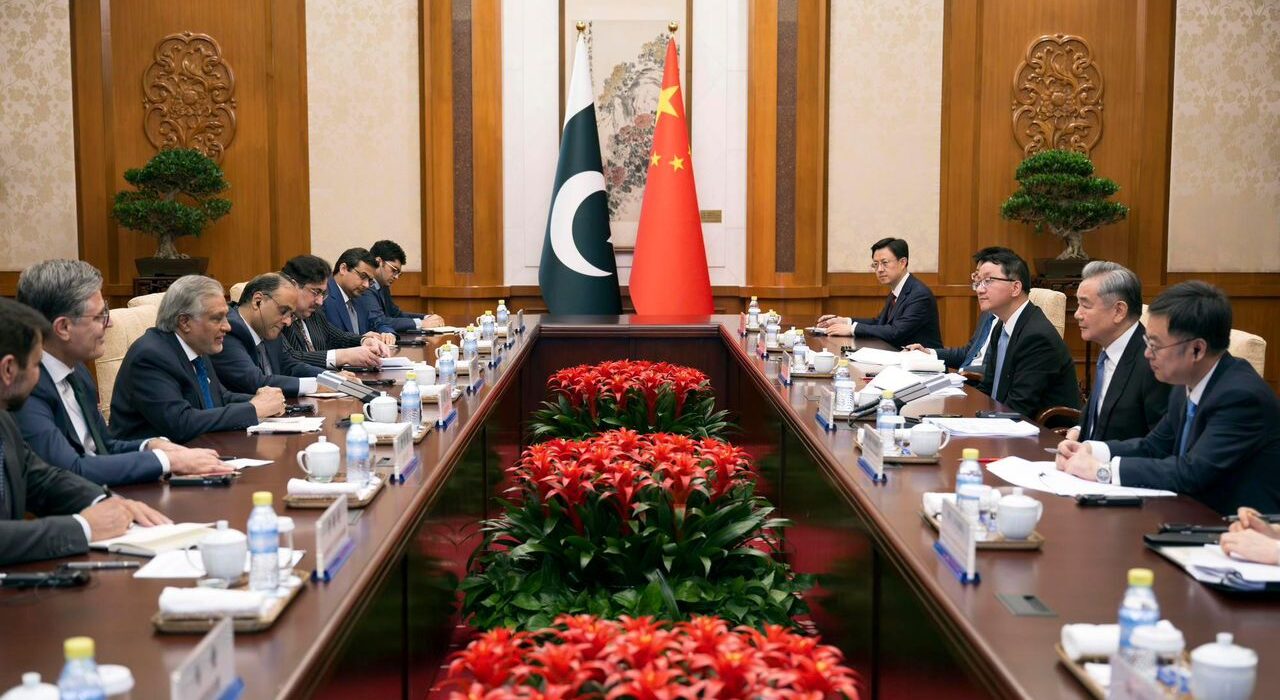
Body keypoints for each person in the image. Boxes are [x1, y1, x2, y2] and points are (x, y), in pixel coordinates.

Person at [1056, 281, 1280, 515]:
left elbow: (1192, 472)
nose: (1147, 353)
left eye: (1155, 345)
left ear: (1197, 349)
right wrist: (1091, 449)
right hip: (1185, 511)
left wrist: (1103, 471)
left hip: (1232, 524)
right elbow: (1154, 446)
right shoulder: (1186, 382)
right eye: (1147, 342)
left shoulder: (1241, 397)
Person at [14, 260, 229, 486]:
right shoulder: (26, 387)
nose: (109, 324)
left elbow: (104, 446)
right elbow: (71, 469)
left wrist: (151, 446)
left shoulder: (77, 373)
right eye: (99, 316)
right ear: (63, 328)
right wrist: (166, 461)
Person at [0, 297, 170, 566]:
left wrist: (105, 502)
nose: (39, 376)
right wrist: (83, 528)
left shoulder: (4, 419)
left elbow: (40, 478)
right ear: (8, 369)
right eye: (35, 364)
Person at [109, 275, 286, 443]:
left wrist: (261, 400)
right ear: (184, 322)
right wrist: (253, 409)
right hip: (152, 460)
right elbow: (181, 423)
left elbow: (219, 398)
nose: (227, 327)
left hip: (199, 450)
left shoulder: (196, 345)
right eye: (217, 319)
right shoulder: (151, 356)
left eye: (225, 317)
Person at [1065, 261, 1169, 442]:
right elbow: (1100, 412)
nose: (1077, 314)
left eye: (1086, 306)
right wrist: (1079, 429)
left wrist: (1098, 454)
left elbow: (1161, 443)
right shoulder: (1109, 349)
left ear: (1119, 311)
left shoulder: (1153, 362)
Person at [972, 247, 1079, 419]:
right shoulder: (1001, 327)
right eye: (978, 282)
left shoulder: (1037, 337)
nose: (979, 289)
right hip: (1002, 421)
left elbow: (1020, 407)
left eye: (988, 281)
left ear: (1015, 287)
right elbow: (988, 388)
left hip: (1039, 430)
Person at [815, 237, 942, 347]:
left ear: (903, 263)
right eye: (876, 264)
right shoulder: (896, 291)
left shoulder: (919, 295)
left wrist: (852, 329)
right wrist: (845, 321)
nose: (879, 269)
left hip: (923, 363)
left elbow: (896, 332)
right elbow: (880, 323)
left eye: (885, 263)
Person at [212, 273, 322, 397]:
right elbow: (256, 381)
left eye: (291, 314)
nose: (288, 322)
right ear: (257, 301)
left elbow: (289, 365)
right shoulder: (228, 330)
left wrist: (331, 379)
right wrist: (315, 386)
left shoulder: (268, 327)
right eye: (283, 311)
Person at [279, 254, 392, 371]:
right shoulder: (279, 318)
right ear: (293, 286)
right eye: (316, 292)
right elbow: (291, 358)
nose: (320, 302)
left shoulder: (313, 313)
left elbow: (337, 337)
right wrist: (344, 356)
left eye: (323, 294)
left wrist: (364, 340)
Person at [905, 250, 1004, 372]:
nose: (979, 288)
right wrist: (928, 352)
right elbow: (968, 353)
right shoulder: (988, 313)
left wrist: (962, 373)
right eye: (978, 278)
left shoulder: (1011, 322)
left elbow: (999, 370)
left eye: (987, 280)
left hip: (976, 379)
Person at [322, 247, 398, 342]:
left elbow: (376, 322)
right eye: (363, 276)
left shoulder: (359, 296)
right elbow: (326, 340)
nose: (366, 285)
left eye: (370, 281)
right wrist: (360, 340)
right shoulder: (323, 297)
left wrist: (387, 333)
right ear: (343, 269)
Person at [368, 239, 445, 332]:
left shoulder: (383, 286)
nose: (396, 277)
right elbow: (380, 321)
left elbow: (396, 315)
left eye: (398, 273)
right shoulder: (365, 287)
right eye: (394, 270)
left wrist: (426, 318)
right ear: (378, 262)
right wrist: (421, 323)